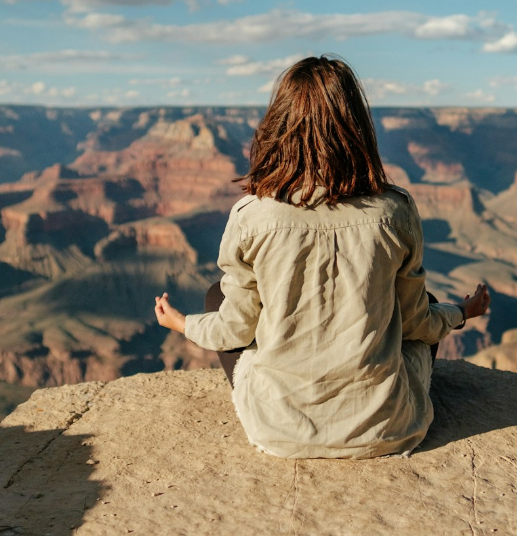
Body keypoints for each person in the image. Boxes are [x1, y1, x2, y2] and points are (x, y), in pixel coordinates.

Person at [153, 55, 490, 459]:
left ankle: (286, 410)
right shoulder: (394, 210)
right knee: (428, 303)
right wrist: (461, 312)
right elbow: (417, 323)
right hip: (387, 429)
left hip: (278, 432)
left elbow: (235, 332)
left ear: (278, 127)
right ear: (357, 127)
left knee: (216, 298)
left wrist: (182, 324)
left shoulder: (251, 215)